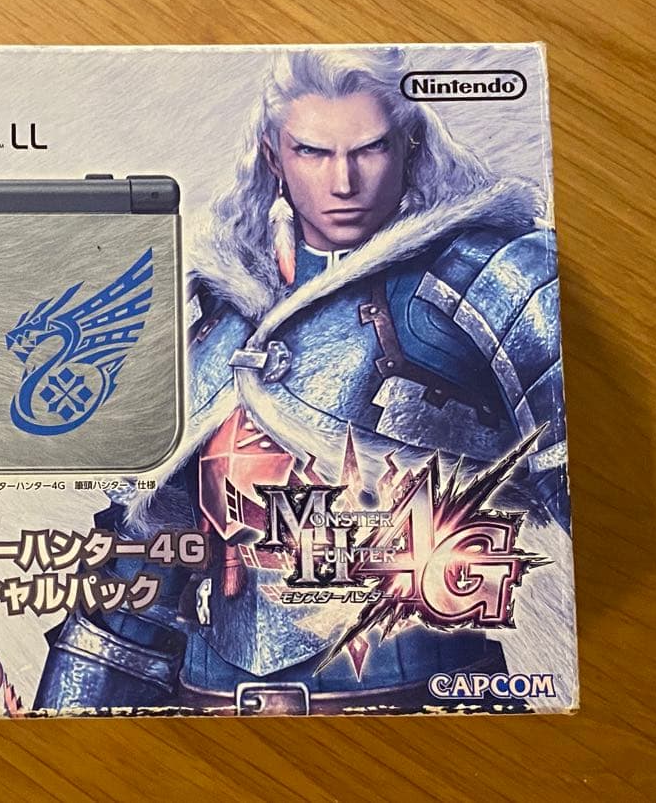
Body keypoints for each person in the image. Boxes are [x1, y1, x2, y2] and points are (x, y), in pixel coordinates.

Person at [34, 47, 568, 715]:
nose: (343, 181)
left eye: (368, 150)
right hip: (211, 710)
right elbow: (140, 573)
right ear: (273, 156)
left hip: (416, 713)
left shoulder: (492, 277)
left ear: (408, 145)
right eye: (313, 152)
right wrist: (60, 730)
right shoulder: (222, 320)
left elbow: (590, 492)